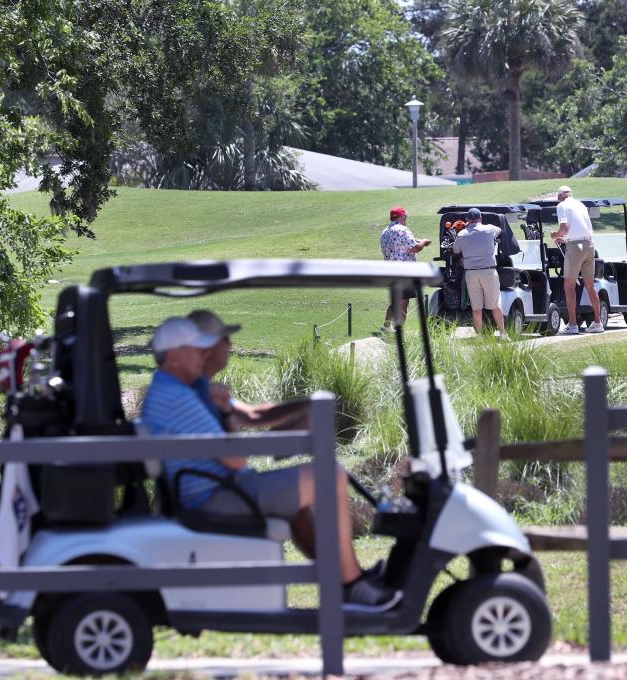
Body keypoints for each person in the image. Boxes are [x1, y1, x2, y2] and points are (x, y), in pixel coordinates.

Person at [141, 316, 400, 610]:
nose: (202, 355)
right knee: (331, 476)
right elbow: (237, 460)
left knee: (298, 506)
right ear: (174, 356)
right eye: (195, 349)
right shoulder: (180, 397)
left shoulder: (174, 390)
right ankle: (353, 586)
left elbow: (243, 426)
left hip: (218, 488)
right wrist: (226, 412)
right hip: (217, 495)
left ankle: (343, 580)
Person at [187, 310, 309, 432]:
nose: (230, 345)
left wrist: (308, 405)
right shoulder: (197, 390)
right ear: (207, 345)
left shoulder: (200, 386)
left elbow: (253, 415)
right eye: (225, 338)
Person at [549, 185, 603, 335]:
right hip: (589, 245)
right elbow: (578, 228)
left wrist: (555, 235)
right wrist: (564, 238)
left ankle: (573, 324)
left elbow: (565, 227)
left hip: (575, 246)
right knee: (590, 286)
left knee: (569, 286)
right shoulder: (580, 204)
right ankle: (598, 323)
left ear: (560, 196)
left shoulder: (561, 206)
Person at [452, 208, 506, 335]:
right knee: (495, 305)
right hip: (488, 272)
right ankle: (503, 334)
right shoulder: (489, 229)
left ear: (467, 220)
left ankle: (480, 337)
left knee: (476, 308)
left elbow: (455, 251)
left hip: (471, 273)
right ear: (480, 218)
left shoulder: (462, 234)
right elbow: (500, 231)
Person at [378, 206, 431, 334]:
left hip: (390, 272)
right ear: (401, 217)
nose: (406, 219)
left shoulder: (385, 232)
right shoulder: (403, 229)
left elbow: (401, 245)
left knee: (395, 300)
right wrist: (423, 242)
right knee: (403, 303)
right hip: (404, 272)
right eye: (405, 216)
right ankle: (399, 331)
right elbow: (415, 248)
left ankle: (386, 325)